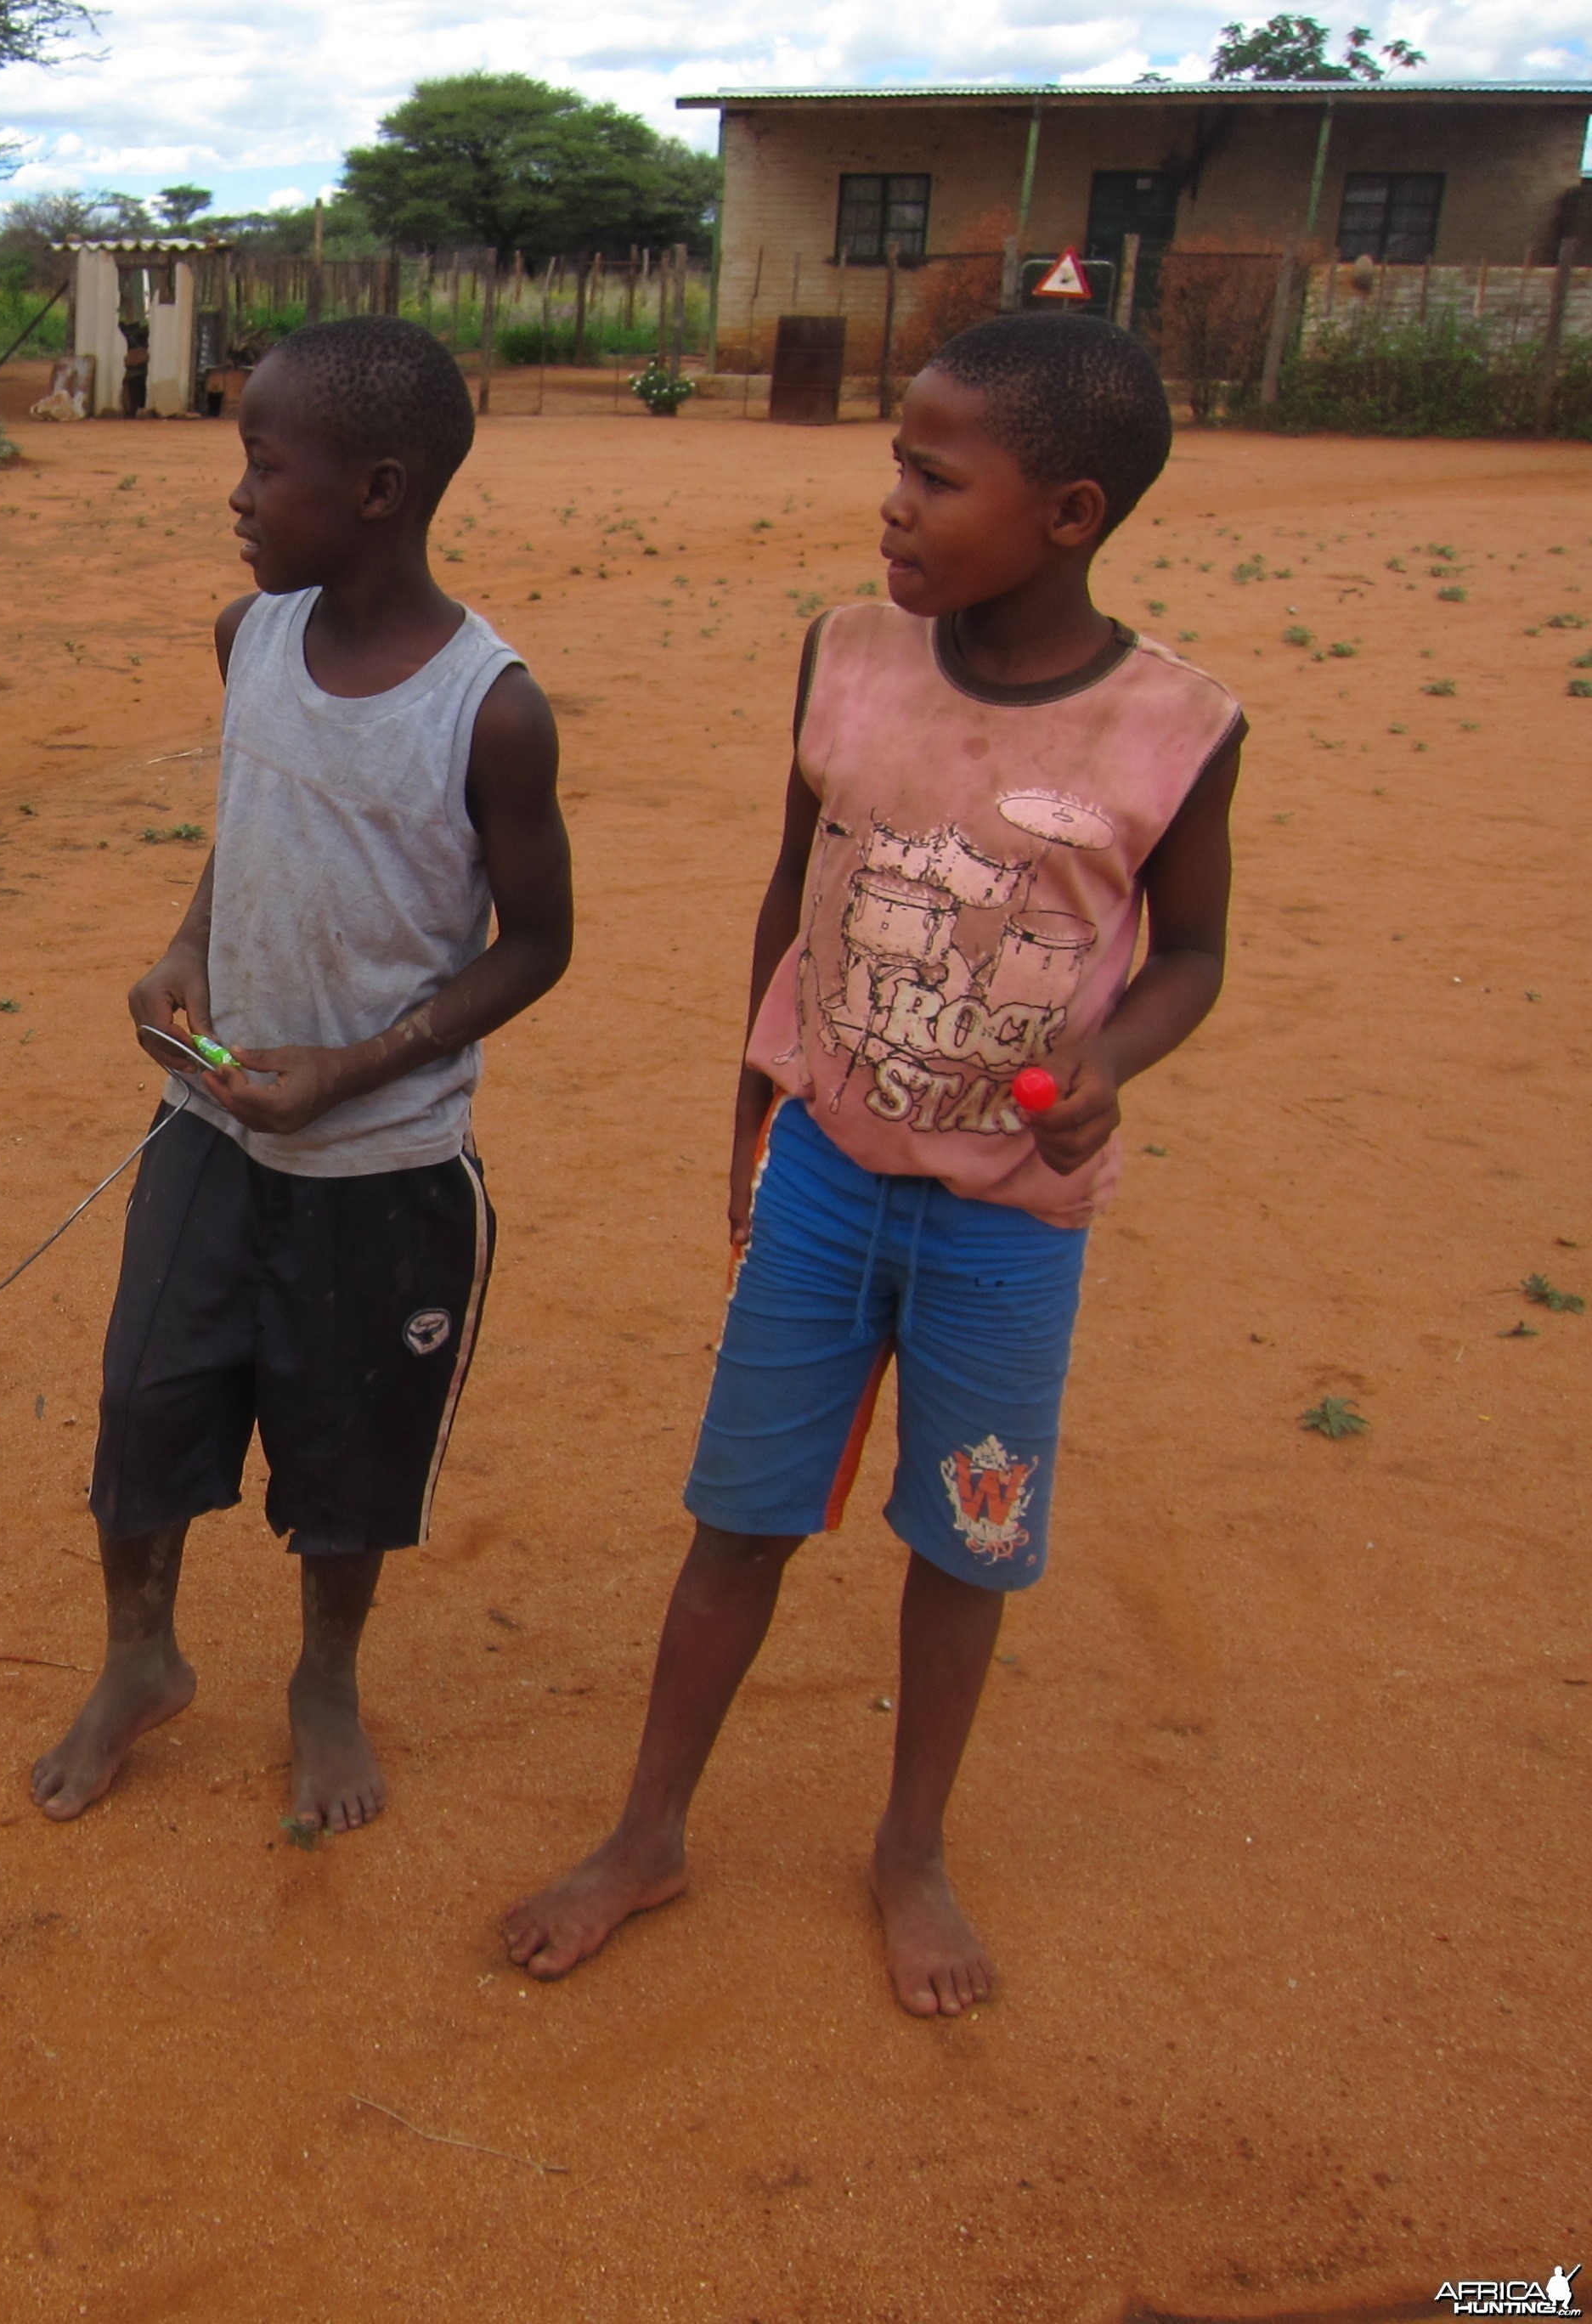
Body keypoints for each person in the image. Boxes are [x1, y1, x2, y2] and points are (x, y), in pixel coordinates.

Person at [501, 313, 1245, 2014]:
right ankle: (647, 1834)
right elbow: (793, 879)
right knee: (736, 1519)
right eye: (893, 465)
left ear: (1066, 512)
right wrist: (750, 1103)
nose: (892, 502)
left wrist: (1112, 1065)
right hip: (830, 1183)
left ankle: (910, 1850)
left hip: (1011, 1228)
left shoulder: (1175, 725)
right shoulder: (845, 653)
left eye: (932, 473)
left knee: (966, 1547)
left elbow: (1193, 949)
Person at [29, 317, 574, 1838]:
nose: (242, 496)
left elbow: (536, 946)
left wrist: (353, 1068)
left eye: (268, 467)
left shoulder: (490, 709)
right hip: (210, 1125)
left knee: (351, 1444)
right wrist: (184, 949)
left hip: (382, 1166)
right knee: (144, 1400)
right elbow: (251, 825)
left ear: (381, 488)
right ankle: (142, 1656)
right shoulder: (248, 638)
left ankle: (326, 1674)